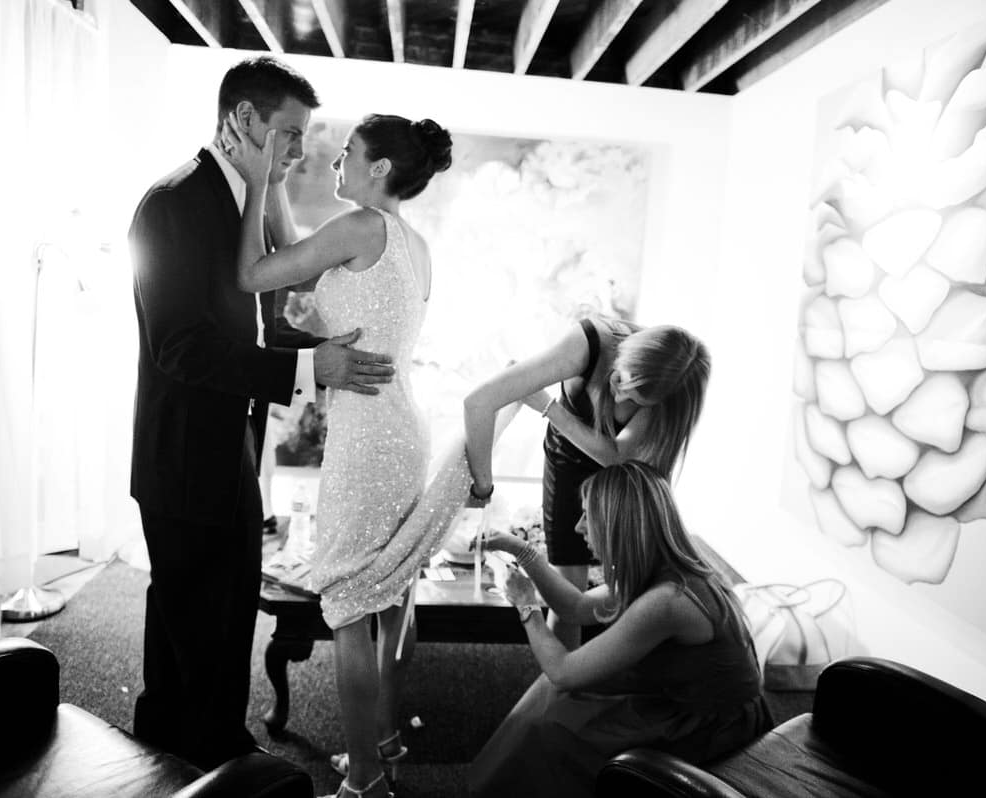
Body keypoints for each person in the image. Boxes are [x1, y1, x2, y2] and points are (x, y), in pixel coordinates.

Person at [127, 56, 395, 771]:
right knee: (197, 612)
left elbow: (250, 326)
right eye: (292, 133)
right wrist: (310, 370)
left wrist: (321, 349)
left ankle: (179, 738)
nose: (301, 151)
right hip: (183, 454)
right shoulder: (174, 204)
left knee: (213, 605)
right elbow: (181, 347)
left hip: (229, 443)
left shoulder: (237, 197)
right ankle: (208, 755)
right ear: (244, 119)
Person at [223, 110, 452, 798]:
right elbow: (312, 267)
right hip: (403, 429)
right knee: (391, 594)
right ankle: (383, 744)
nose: (334, 162)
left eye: (346, 152)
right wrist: (274, 188)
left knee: (349, 606)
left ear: (378, 167)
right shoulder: (414, 243)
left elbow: (253, 274)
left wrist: (258, 182)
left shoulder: (357, 228)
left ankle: (365, 786)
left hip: (369, 435)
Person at [468, 461, 773, 797]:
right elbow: (577, 607)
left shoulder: (668, 601)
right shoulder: (662, 563)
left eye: (588, 516)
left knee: (557, 722)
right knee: (555, 700)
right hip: (687, 698)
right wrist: (521, 549)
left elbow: (563, 672)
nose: (579, 527)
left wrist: (526, 606)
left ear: (618, 525)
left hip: (709, 728)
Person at [464, 317, 711, 648]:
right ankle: (565, 670)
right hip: (566, 463)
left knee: (629, 580)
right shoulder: (588, 343)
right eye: (621, 380)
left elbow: (617, 456)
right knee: (569, 591)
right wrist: (482, 486)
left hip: (622, 472)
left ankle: (612, 661)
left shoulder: (670, 382)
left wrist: (548, 407)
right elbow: (479, 401)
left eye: (636, 400)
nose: (619, 396)